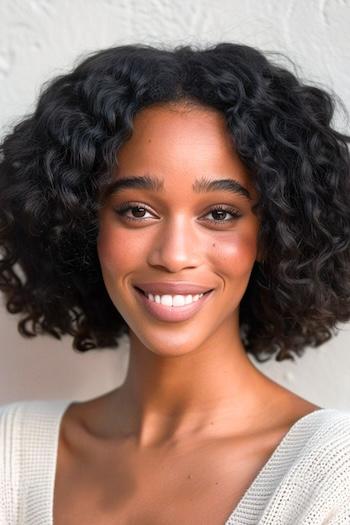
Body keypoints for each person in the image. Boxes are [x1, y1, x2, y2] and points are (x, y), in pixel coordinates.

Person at [0, 42, 350, 524]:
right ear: (85, 224)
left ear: (272, 232)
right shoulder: (10, 457)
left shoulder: (334, 478)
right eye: (137, 211)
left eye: (220, 214)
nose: (175, 255)